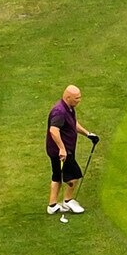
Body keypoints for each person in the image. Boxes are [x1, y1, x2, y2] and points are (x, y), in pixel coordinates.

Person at [46, 84, 98, 219]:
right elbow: (53, 130)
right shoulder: (60, 111)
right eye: (76, 98)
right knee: (74, 175)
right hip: (61, 152)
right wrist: (62, 148)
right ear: (68, 97)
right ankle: (68, 201)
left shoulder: (68, 108)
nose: (79, 100)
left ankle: (52, 205)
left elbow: (73, 124)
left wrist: (88, 134)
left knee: (57, 176)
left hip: (59, 150)